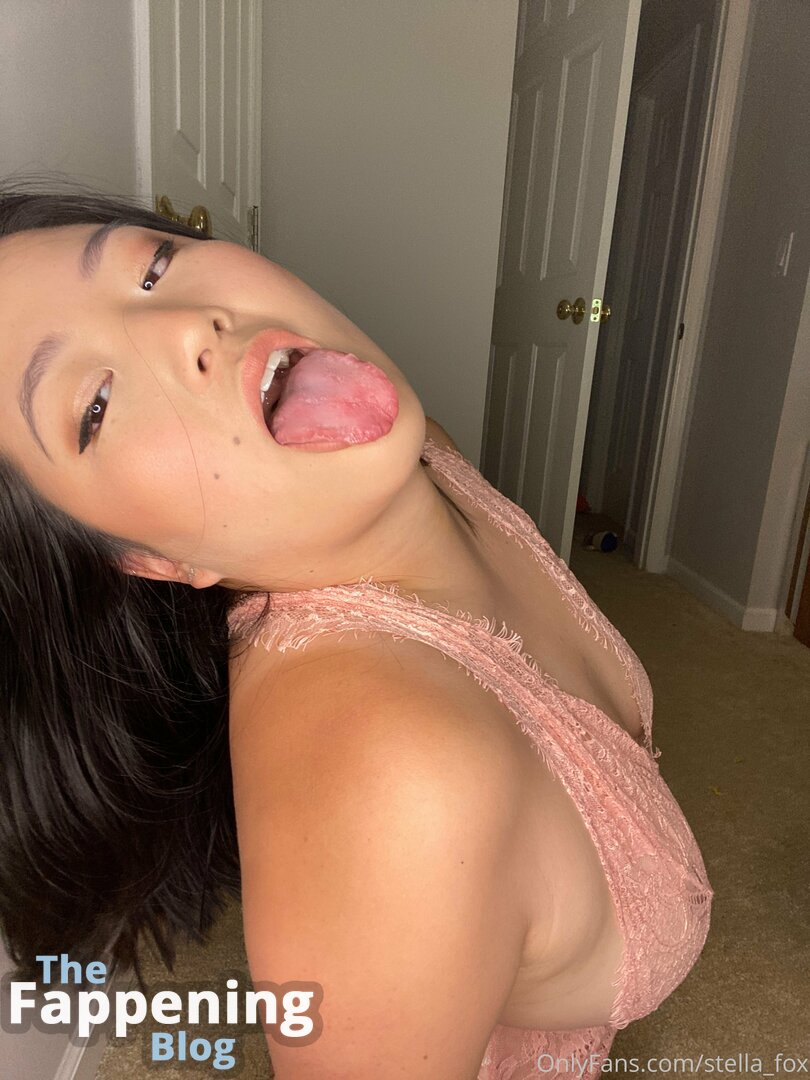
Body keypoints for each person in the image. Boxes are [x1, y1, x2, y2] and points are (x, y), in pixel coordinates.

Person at [0, 176, 713, 1079]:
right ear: (147, 560)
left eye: (154, 266)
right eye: (94, 408)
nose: (186, 325)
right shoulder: (385, 770)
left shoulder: (429, 457)